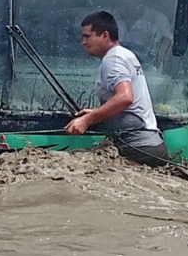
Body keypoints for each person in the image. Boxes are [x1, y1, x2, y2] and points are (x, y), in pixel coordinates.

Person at [65, 11, 170, 167]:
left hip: (137, 148)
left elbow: (125, 97)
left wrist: (88, 119)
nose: (83, 42)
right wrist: (97, 112)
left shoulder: (113, 59)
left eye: (87, 36)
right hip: (151, 146)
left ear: (105, 36)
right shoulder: (124, 54)